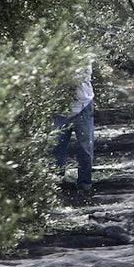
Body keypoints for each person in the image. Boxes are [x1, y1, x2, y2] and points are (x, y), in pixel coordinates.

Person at [54, 59, 95, 191]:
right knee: (56, 147)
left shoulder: (84, 52)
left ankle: (85, 184)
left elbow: (77, 76)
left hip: (83, 105)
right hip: (59, 108)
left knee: (85, 147)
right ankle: (56, 184)